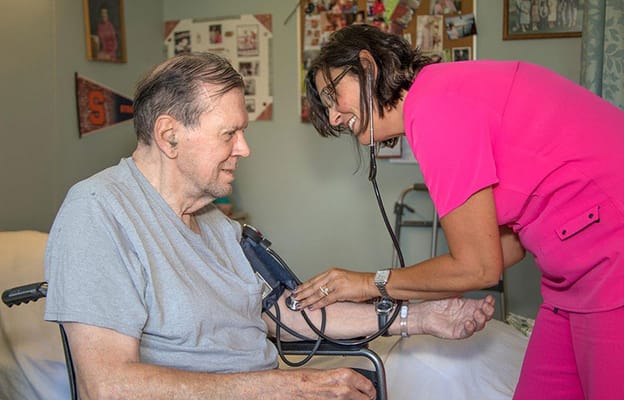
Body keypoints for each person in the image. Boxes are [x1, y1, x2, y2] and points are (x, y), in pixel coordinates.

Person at [43, 52, 495, 400]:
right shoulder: (98, 212)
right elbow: (108, 386)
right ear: (169, 135)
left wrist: (418, 318)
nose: (244, 149)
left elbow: (279, 314)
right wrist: (291, 387)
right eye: (229, 133)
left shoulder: (213, 222)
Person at [296, 24, 624, 399]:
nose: (334, 117)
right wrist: (430, 294)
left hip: (611, 258)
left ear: (367, 66)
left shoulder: (435, 107)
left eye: (331, 94)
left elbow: (477, 267)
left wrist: (369, 282)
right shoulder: (440, 95)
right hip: (571, 276)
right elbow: (503, 249)